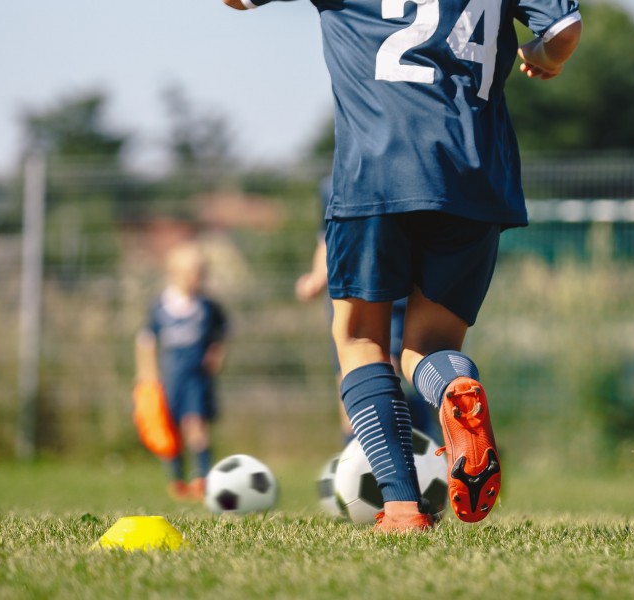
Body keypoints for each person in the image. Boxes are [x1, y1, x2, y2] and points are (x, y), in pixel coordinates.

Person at [224, 0, 582, 531]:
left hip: (376, 171)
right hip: (474, 176)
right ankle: (455, 390)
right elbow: (565, 28)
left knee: (361, 339)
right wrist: (544, 57)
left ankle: (401, 508)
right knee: (431, 346)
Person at [296, 178, 442, 446]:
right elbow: (328, 239)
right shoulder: (332, 185)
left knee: (388, 377)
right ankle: (356, 477)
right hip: (346, 297)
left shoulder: (400, 172)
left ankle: (437, 450)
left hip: (390, 294)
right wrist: (317, 277)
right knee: (351, 395)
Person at [135, 242, 229, 501]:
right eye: (191, 273)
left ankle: (202, 479)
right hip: (169, 377)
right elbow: (146, 340)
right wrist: (147, 375)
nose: (197, 279)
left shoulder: (208, 307)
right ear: (174, 274)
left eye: (201, 273)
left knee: (196, 426)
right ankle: (177, 480)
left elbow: (221, 334)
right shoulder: (161, 306)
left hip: (197, 378)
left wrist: (216, 354)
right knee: (170, 430)